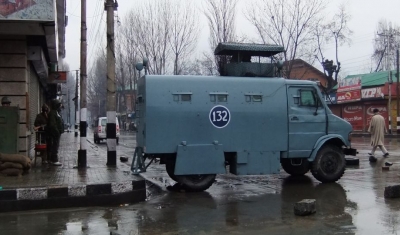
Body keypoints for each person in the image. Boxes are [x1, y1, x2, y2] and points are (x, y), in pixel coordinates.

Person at [47, 99, 64, 166]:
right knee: (54, 145)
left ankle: (53, 159)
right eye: (59, 105)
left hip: (57, 133)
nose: (60, 107)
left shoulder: (56, 112)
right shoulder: (52, 113)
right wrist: (56, 132)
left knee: (56, 145)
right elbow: (52, 124)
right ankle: (54, 159)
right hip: (54, 134)